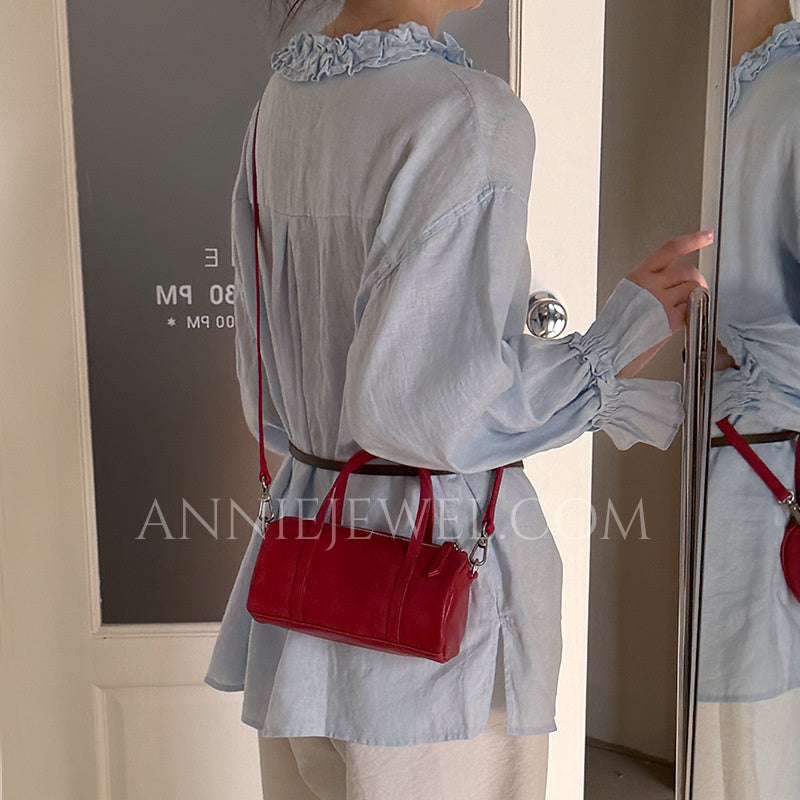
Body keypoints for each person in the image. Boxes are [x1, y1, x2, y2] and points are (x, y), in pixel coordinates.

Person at [203, 1, 710, 796]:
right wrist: (613, 344)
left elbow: (263, 376)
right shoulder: (466, 115)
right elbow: (433, 407)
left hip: (306, 572)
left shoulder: (283, 99)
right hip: (432, 604)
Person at [692, 1, 800, 797]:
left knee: (745, 761)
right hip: (702, 471)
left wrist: (740, 357)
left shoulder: (789, 93)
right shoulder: (706, 88)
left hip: (762, 486)